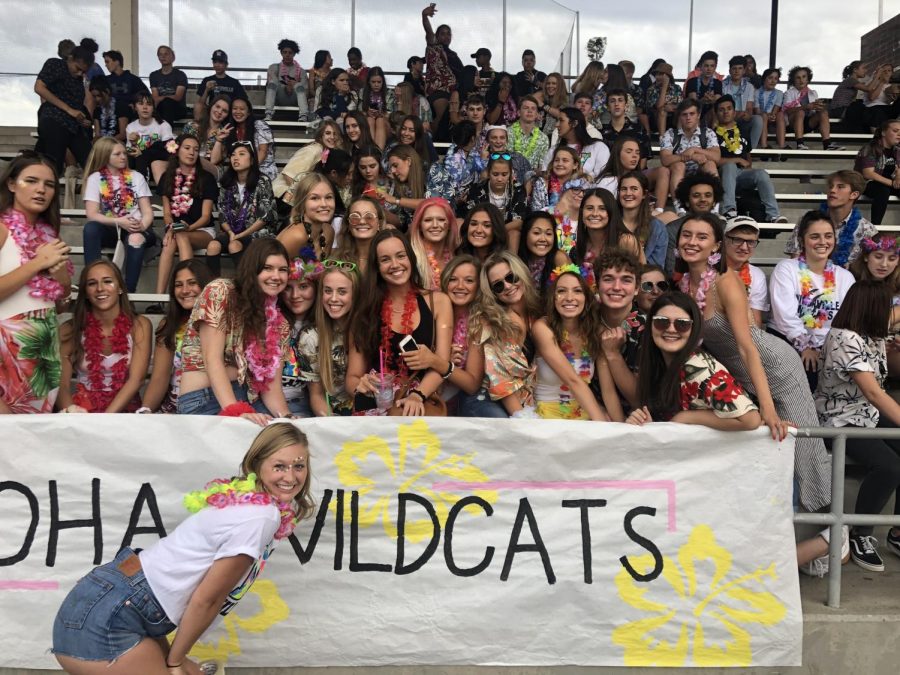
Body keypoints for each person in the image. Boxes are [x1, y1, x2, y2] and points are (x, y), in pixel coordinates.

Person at [52, 423, 314, 674]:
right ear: (257, 464)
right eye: (279, 466)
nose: (290, 477)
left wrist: (177, 658)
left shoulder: (247, 500)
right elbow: (206, 599)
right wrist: (176, 660)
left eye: (299, 466)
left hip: (108, 596)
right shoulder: (261, 516)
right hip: (109, 618)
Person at [675, 213, 831, 512]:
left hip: (774, 365)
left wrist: (769, 409)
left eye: (701, 237)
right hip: (738, 374)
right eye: (687, 235)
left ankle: (829, 534)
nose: (692, 242)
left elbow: (747, 346)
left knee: (803, 446)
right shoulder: (683, 282)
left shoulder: (725, 281)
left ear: (716, 246)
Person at [815, 280, 900, 572]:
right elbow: (874, 393)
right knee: (890, 467)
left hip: (867, 414)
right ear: (871, 309)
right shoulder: (844, 338)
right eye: (886, 306)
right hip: (840, 418)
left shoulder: (871, 332)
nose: (890, 313)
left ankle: (897, 531)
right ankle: (860, 535)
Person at [177, 238, 293, 420]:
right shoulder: (220, 291)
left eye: (283, 270)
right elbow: (212, 360)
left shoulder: (279, 322)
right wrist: (237, 411)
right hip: (206, 398)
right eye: (267, 268)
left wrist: (287, 417)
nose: (276, 276)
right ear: (252, 269)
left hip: (249, 399)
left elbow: (271, 387)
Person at [347, 228, 453, 415]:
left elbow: (441, 364)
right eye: (385, 259)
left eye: (400, 256)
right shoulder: (365, 309)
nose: (395, 264)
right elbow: (352, 377)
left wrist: (417, 395)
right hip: (376, 402)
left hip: (419, 401)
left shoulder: (439, 302)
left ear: (411, 259)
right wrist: (360, 385)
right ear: (377, 267)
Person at [0, 153, 72, 414]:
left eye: (49, 184)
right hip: (6, 351)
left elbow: (61, 303)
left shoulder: (49, 235)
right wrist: (37, 263)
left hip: (44, 350)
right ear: (11, 184)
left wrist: (62, 277)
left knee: (31, 443)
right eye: (31, 181)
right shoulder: (2, 229)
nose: (41, 189)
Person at [628, 291, 761, 430]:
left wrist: (684, 418)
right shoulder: (654, 362)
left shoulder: (697, 368)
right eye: (662, 322)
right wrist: (651, 425)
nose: (671, 329)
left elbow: (750, 419)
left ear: (693, 329)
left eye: (682, 324)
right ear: (651, 325)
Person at [769, 211, 855, 390]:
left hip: (829, 346)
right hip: (789, 340)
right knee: (808, 368)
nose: (823, 242)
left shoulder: (845, 277)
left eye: (828, 236)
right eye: (815, 236)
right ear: (802, 240)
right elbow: (785, 316)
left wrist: (827, 350)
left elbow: (848, 321)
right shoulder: (787, 269)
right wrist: (806, 346)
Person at [57, 260, 152, 413]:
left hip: (124, 410)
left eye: (107, 281)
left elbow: (137, 379)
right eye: (92, 284)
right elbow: (62, 384)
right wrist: (71, 412)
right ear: (85, 292)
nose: (100, 289)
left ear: (120, 287)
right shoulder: (70, 329)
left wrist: (105, 420)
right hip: (83, 411)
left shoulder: (140, 325)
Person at [533, 265, 617, 421]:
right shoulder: (542, 328)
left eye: (577, 291)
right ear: (553, 297)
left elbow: (608, 391)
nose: (569, 297)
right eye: (561, 291)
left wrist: (620, 429)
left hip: (582, 415)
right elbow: (573, 381)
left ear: (586, 297)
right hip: (546, 418)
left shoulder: (594, 332)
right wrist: (602, 426)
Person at [469, 251, 542, 417]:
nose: (508, 286)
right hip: (487, 400)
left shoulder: (533, 314)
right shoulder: (495, 321)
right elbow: (500, 380)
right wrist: (523, 418)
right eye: (498, 285)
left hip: (523, 399)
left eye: (511, 277)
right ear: (493, 293)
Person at [82, 138, 156, 293]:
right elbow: (92, 214)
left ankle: (128, 292)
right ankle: (92, 281)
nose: (123, 157)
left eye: (124, 153)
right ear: (105, 157)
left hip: (135, 227)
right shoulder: (95, 178)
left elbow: (147, 211)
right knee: (90, 229)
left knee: (136, 238)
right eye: (117, 154)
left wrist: (141, 226)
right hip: (110, 226)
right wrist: (119, 221)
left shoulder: (136, 177)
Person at [141, 260, 213, 413]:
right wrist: (145, 410)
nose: (185, 290)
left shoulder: (223, 322)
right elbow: (160, 378)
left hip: (213, 408)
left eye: (192, 283)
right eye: (179, 285)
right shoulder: (169, 324)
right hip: (175, 409)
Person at [155, 135, 218, 298]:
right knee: (169, 243)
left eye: (196, 150)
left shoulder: (206, 178)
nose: (192, 153)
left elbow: (205, 216)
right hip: (177, 230)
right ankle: (158, 297)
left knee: (181, 236)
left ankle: (189, 292)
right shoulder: (167, 177)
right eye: (187, 148)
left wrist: (189, 228)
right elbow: (167, 213)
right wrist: (170, 228)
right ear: (177, 151)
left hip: (203, 230)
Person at [206, 141, 276, 277]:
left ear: (251, 160)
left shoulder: (263, 181)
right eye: (233, 155)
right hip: (232, 231)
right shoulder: (226, 183)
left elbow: (265, 217)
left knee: (234, 245)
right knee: (212, 246)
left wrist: (240, 235)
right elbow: (222, 213)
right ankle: (213, 287)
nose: (235, 158)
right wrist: (231, 233)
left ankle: (246, 285)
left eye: (241, 154)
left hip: (257, 231)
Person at [713, 95, 787, 222]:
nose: (726, 112)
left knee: (761, 174)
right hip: (722, 176)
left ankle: (773, 215)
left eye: (729, 108)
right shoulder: (713, 134)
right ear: (716, 113)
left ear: (734, 111)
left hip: (741, 175)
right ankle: (729, 211)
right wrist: (736, 161)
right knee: (729, 166)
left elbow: (747, 154)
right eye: (721, 109)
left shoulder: (742, 131)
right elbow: (713, 160)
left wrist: (748, 165)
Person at [784, 170, 878, 267]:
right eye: (831, 186)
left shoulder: (866, 229)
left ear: (854, 194)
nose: (832, 190)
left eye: (840, 187)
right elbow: (795, 259)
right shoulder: (808, 220)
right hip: (808, 277)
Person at [308, 259, 360, 415]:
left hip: (369, 414)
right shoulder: (311, 337)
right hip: (333, 416)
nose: (333, 298)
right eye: (328, 291)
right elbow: (316, 395)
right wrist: (330, 422)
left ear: (355, 295)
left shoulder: (366, 330)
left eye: (342, 292)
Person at [278, 249, 324, 417]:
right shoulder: (272, 321)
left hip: (303, 404)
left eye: (304, 286)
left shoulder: (322, 326)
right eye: (288, 288)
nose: (295, 295)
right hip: (267, 403)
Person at [34, 44, 94, 173]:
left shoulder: (78, 80)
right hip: (54, 119)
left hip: (73, 125)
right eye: (78, 68)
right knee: (55, 164)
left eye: (83, 72)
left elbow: (76, 105)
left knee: (92, 162)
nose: (80, 73)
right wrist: (68, 109)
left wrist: (81, 119)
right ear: (70, 58)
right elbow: (39, 87)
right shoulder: (55, 64)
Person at [660, 98, 721, 213]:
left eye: (692, 114)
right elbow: (665, 160)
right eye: (684, 114)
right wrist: (689, 156)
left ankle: (714, 210)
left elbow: (716, 157)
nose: (688, 117)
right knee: (679, 165)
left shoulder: (708, 133)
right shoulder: (670, 134)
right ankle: (681, 210)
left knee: (710, 164)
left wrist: (694, 149)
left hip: (701, 173)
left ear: (698, 115)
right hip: (678, 175)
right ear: (680, 116)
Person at [272, 120, 344, 215]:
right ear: (320, 135)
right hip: (284, 197)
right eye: (328, 133)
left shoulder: (326, 151)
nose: (332, 137)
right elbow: (289, 175)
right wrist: (302, 202)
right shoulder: (313, 150)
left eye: (335, 134)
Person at [572, 188, 640, 288]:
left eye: (602, 209)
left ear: (611, 212)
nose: (595, 214)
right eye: (589, 208)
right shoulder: (580, 246)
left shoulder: (626, 240)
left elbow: (640, 276)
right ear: (582, 212)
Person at [664, 170, 725, 276]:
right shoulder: (672, 229)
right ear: (687, 201)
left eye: (708, 195)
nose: (703, 199)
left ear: (714, 201)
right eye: (696, 195)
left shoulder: (724, 227)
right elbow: (671, 269)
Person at [464, 154, 527, 250]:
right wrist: (487, 231)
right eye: (495, 174)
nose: (500, 179)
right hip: (481, 231)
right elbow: (471, 219)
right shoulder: (476, 189)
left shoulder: (518, 189)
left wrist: (496, 232)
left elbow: (518, 222)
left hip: (506, 232)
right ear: (488, 173)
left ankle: (512, 263)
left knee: (514, 234)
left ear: (511, 174)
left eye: (504, 174)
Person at [722, 217, 769, 328]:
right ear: (724, 240)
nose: (744, 247)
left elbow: (755, 323)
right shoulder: (708, 270)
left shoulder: (757, 275)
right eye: (737, 240)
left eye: (751, 242)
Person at [277, 173, 336, 261]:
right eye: (314, 198)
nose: (324, 204)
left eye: (328, 197)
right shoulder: (296, 236)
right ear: (302, 203)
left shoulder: (328, 231)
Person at [782, 65, 843, 151]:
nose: (801, 80)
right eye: (798, 78)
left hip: (808, 123)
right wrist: (806, 107)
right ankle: (800, 144)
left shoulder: (813, 93)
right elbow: (787, 111)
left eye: (804, 77)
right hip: (792, 123)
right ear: (793, 80)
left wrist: (819, 107)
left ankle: (827, 144)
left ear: (808, 79)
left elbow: (814, 110)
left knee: (823, 112)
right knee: (801, 112)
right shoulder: (789, 93)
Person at [541, 107, 610, 179]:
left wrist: (584, 176)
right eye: (557, 120)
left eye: (561, 120)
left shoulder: (598, 147)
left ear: (574, 123)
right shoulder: (554, 150)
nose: (556, 125)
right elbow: (546, 176)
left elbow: (602, 176)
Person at [618, 171, 668, 267]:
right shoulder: (610, 221)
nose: (628, 193)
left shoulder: (657, 227)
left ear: (644, 194)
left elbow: (657, 268)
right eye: (624, 189)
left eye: (634, 189)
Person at [855, 118, 900, 225]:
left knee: (885, 189)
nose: (899, 134)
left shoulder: (897, 150)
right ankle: (875, 228)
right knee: (883, 190)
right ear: (884, 132)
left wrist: (898, 176)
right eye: (895, 131)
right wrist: (892, 183)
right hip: (867, 183)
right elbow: (868, 173)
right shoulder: (870, 148)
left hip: (890, 184)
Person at [408, 197, 460, 290]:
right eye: (428, 220)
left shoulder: (457, 256)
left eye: (441, 219)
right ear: (419, 226)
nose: (435, 225)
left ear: (449, 225)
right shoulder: (411, 259)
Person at [125, 91, 174, 185]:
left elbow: (170, 149)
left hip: (157, 162)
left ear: (153, 108)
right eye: (140, 104)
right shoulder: (131, 127)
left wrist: (143, 151)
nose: (145, 107)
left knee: (142, 156)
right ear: (135, 107)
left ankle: (141, 186)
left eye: (149, 104)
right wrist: (133, 144)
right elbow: (129, 149)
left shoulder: (163, 125)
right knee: (131, 158)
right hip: (139, 163)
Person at [518, 212, 570, 291]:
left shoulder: (559, 258)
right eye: (536, 233)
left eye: (548, 234)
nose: (543, 239)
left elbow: (572, 291)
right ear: (525, 235)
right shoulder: (517, 257)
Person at [720, 55, 763, 150]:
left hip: (742, 118)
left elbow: (749, 108)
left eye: (740, 68)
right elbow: (721, 108)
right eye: (734, 68)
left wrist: (746, 114)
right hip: (726, 118)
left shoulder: (749, 87)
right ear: (729, 71)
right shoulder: (722, 85)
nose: (737, 71)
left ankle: (750, 150)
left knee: (758, 119)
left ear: (744, 71)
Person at [334, 195, 385, 272]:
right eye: (355, 217)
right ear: (348, 224)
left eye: (369, 217)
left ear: (379, 224)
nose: (362, 222)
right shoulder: (336, 259)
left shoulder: (387, 258)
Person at [182, 94, 231, 173]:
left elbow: (214, 161)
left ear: (227, 115)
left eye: (224, 111)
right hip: (189, 166)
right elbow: (181, 150)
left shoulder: (225, 133)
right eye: (217, 107)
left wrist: (219, 140)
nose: (219, 112)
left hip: (212, 170)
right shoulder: (191, 126)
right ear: (211, 106)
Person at [195, 50, 246, 121]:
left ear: (226, 65)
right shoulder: (207, 80)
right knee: (198, 106)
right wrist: (206, 90)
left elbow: (243, 101)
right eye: (215, 62)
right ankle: (199, 129)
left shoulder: (234, 82)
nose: (217, 65)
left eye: (220, 62)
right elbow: (200, 103)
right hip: (212, 113)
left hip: (228, 114)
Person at [265, 38, 309, 122]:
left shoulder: (301, 71)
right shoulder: (274, 67)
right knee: (272, 83)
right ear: (281, 53)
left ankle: (303, 115)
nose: (287, 55)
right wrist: (286, 87)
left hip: (295, 98)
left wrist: (295, 85)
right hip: (279, 97)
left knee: (299, 85)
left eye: (290, 52)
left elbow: (306, 90)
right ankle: (268, 113)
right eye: (285, 52)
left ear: (294, 54)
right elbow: (272, 84)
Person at [384, 144, 427, 230]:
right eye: (391, 167)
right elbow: (402, 223)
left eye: (395, 165)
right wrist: (378, 209)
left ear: (409, 161)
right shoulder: (403, 186)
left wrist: (395, 200)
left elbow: (432, 203)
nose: (392, 171)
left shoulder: (432, 172)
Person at [508, 96, 550, 171]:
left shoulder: (543, 138)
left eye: (533, 109)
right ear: (518, 112)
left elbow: (542, 167)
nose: (530, 111)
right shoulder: (508, 133)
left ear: (537, 114)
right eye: (526, 108)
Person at [149, 44, 188, 125]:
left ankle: (167, 134)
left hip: (177, 108)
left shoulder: (180, 75)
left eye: (166, 54)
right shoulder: (153, 75)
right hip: (160, 107)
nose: (163, 56)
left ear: (173, 57)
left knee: (167, 103)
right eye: (160, 54)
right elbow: (155, 97)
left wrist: (162, 98)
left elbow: (177, 97)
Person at [643, 62, 683, 136]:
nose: (657, 77)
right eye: (657, 74)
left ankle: (680, 139)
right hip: (656, 119)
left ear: (668, 77)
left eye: (661, 74)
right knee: (662, 111)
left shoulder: (676, 88)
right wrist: (664, 87)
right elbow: (658, 106)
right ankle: (663, 140)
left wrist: (673, 107)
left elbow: (682, 105)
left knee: (681, 112)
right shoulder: (652, 89)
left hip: (673, 118)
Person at [754, 67, 788, 154]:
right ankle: (764, 145)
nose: (773, 81)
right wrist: (766, 115)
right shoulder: (756, 92)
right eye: (770, 78)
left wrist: (772, 115)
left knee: (780, 114)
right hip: (761, 118)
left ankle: (781, 145)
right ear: (764, 78)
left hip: (773, 119)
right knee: (764, 116)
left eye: (776, 78)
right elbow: (757, 110)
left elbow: (776, 108)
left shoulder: (779, 93)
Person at [685, 52, 723, 121]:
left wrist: (711, 100)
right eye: (706, 66)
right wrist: (702, 101)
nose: (709, 69)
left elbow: (718, 102)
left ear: (715, 67)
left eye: (712, 66)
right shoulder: (692, 81)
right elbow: (692, 103)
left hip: (711, 115)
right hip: (693, 113)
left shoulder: (718, 83)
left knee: (715, 110)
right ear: (701, 67)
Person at [360, 67, 392, 149]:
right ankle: (372, 151)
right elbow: (357, 112)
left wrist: (382, 114)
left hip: (385, 123)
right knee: (370, 120)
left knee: (379, 120)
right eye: (373, 82)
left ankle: (378, 153)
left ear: (383, 82)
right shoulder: (362, 93)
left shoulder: (389, 93)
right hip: (367, 121)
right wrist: (367, 113)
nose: (376, 85)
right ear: (368, 82)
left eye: (379, 82)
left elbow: (393, 115)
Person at [88, 76, 128, 141]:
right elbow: (97, 135)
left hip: (117, 143)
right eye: (94, 96)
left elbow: (123, 134)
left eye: (99, 95)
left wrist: (107, 143)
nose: (97, 99)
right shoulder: (97, 110)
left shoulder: (121, 106)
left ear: (107, 91)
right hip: (102, 145)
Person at [533, 72, 568, 138]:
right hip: (537, 137)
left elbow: (560, 114)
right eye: (548, 83)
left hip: (555, 138)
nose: (550, 86)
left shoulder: (566, 99)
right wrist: (534, 112)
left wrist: (544, 106)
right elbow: (529, 100)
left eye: (554, 83)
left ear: (560, 85)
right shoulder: (543, 96)